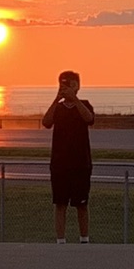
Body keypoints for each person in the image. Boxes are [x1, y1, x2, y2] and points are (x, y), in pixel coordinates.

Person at [43, 70, 95, 241]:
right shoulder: (57, 108)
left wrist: (75, 99)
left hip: (81, 164)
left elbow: (89, 119)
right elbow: (46, 122)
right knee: (60, 204)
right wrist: (57, 99)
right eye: (63, 84)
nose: (67, 88)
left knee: (82, 204)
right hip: (60, 164)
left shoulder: (85, 105)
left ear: (78, 86)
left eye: (71, 84)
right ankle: (60, 240)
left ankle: (84, 239)